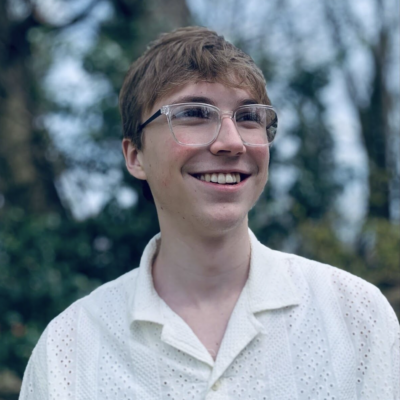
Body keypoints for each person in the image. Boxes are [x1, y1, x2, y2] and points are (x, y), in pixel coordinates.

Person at [20, 26, 399, 400]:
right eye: (194, 113)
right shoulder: (68, 349)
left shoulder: (357, 317)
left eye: (249, 117)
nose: (231, 141)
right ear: (135, 156)